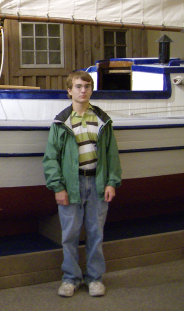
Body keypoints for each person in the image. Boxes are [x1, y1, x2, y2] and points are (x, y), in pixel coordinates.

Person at [42, 70, 121, 298]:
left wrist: (111, 182)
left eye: (87, 86)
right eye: (78, 86)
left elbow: (112, 154)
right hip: (71, 185)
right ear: (69, 91)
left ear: (91, 90)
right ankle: (70, 278)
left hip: (97, 183)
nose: (83, 90)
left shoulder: (102, 121)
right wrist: (58, 187)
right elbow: (51, 158)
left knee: (96, 234)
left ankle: (95, 278)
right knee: (69, 235)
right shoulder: (61, 123)